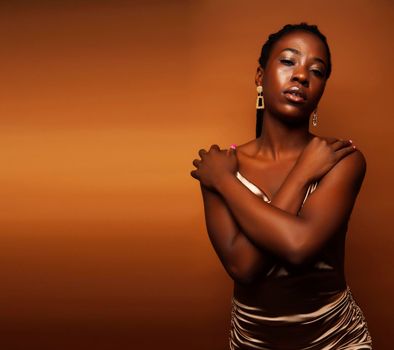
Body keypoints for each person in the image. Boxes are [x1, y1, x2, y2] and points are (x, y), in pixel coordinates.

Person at [190, 23, 373, 349]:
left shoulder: (342, 159)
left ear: (321, 89)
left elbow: (298, 246)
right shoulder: (222, 165)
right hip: (252, 341)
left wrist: (224, 182)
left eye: (316, 71)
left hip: (335, 339)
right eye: (288, 62)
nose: (302, 76)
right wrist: (225, 178)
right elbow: (243, 267)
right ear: (260, 76)